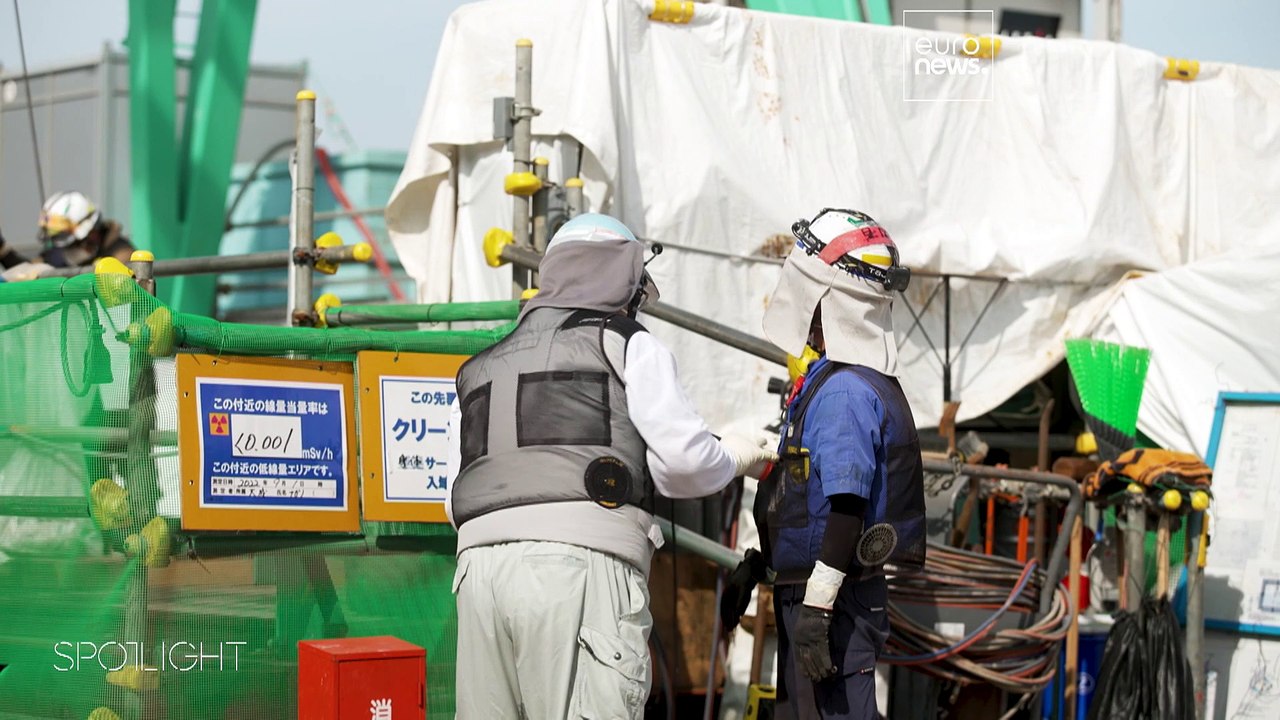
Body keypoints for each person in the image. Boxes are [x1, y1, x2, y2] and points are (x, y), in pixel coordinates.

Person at [443, 213, 777, 719]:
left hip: (478, 574)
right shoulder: (626, 342)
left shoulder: (480, 367)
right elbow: (683, 464)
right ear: (626, 283)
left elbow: (453, 502)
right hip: (579, 569)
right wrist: (734, 455)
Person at [721, 208, 927, 720]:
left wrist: (817, 606)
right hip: (822, 595)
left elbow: (846, 506)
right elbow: (807, 500)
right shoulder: (839, 378)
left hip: (833, 606)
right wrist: (761, 564)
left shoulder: (843, 391)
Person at [36, 191, 135, 268]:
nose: (69, 249)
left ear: (91, 232)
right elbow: (42, 261)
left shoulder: (122, 255)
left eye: (73, 243)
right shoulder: (60, 253)